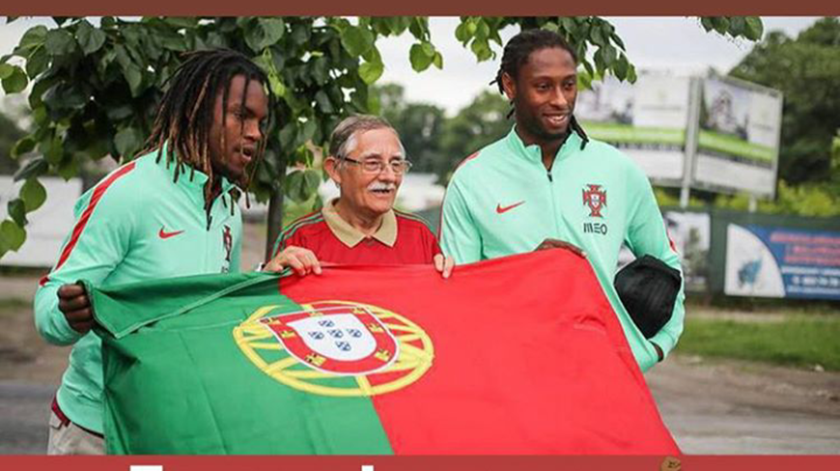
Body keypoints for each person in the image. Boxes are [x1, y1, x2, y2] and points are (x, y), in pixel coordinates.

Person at [33, 49, 272, 454]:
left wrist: (270, 281)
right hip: (97, 432)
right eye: (241, 116)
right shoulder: (128, 193)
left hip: (172, 427)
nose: (254, 133)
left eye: (261, 123)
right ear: (196, 110)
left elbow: (216, 306)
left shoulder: (229, 207)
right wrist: (68, 313)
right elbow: (47, 308)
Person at [439, 29, 684, 373]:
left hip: (602, 372)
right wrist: (526, 274)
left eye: (568, 85)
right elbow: (459, 293)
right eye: (543, 87)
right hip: (513, 374)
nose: (560, 100)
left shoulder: (618, 170)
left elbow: (667, 267)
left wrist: (653, 348)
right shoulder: (472, 179)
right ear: (510, 86)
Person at [267, 115, 453, 277]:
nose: (389, 176)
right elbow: (267, 311)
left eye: (396, 164)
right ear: (335, 169)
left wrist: (448, 278)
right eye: (372, 163)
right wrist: (268, 275)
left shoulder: (419, 236)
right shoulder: (300, 240)